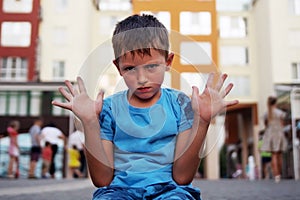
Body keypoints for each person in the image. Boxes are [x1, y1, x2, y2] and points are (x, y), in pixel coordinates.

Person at [52, 14, 238, 199]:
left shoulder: (181, 105)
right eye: (130, 68)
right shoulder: (107, 109)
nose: (142, 79)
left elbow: (182, 178)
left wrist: (202, 121)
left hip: (170, 191)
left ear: (168, 62)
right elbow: (102, 180)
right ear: (118, 68)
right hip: (119, 192)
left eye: (151, 67)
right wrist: (90, 122)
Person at [261, 96, 287, 183]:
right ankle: (279, 172)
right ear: (275, 103)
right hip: (278, 134)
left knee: (273, 156)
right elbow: (282, 124)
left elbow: (266, 125)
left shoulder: (266, 113)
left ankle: (276, 175)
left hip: (270, 135)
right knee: (279, 155)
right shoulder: (279, 113)